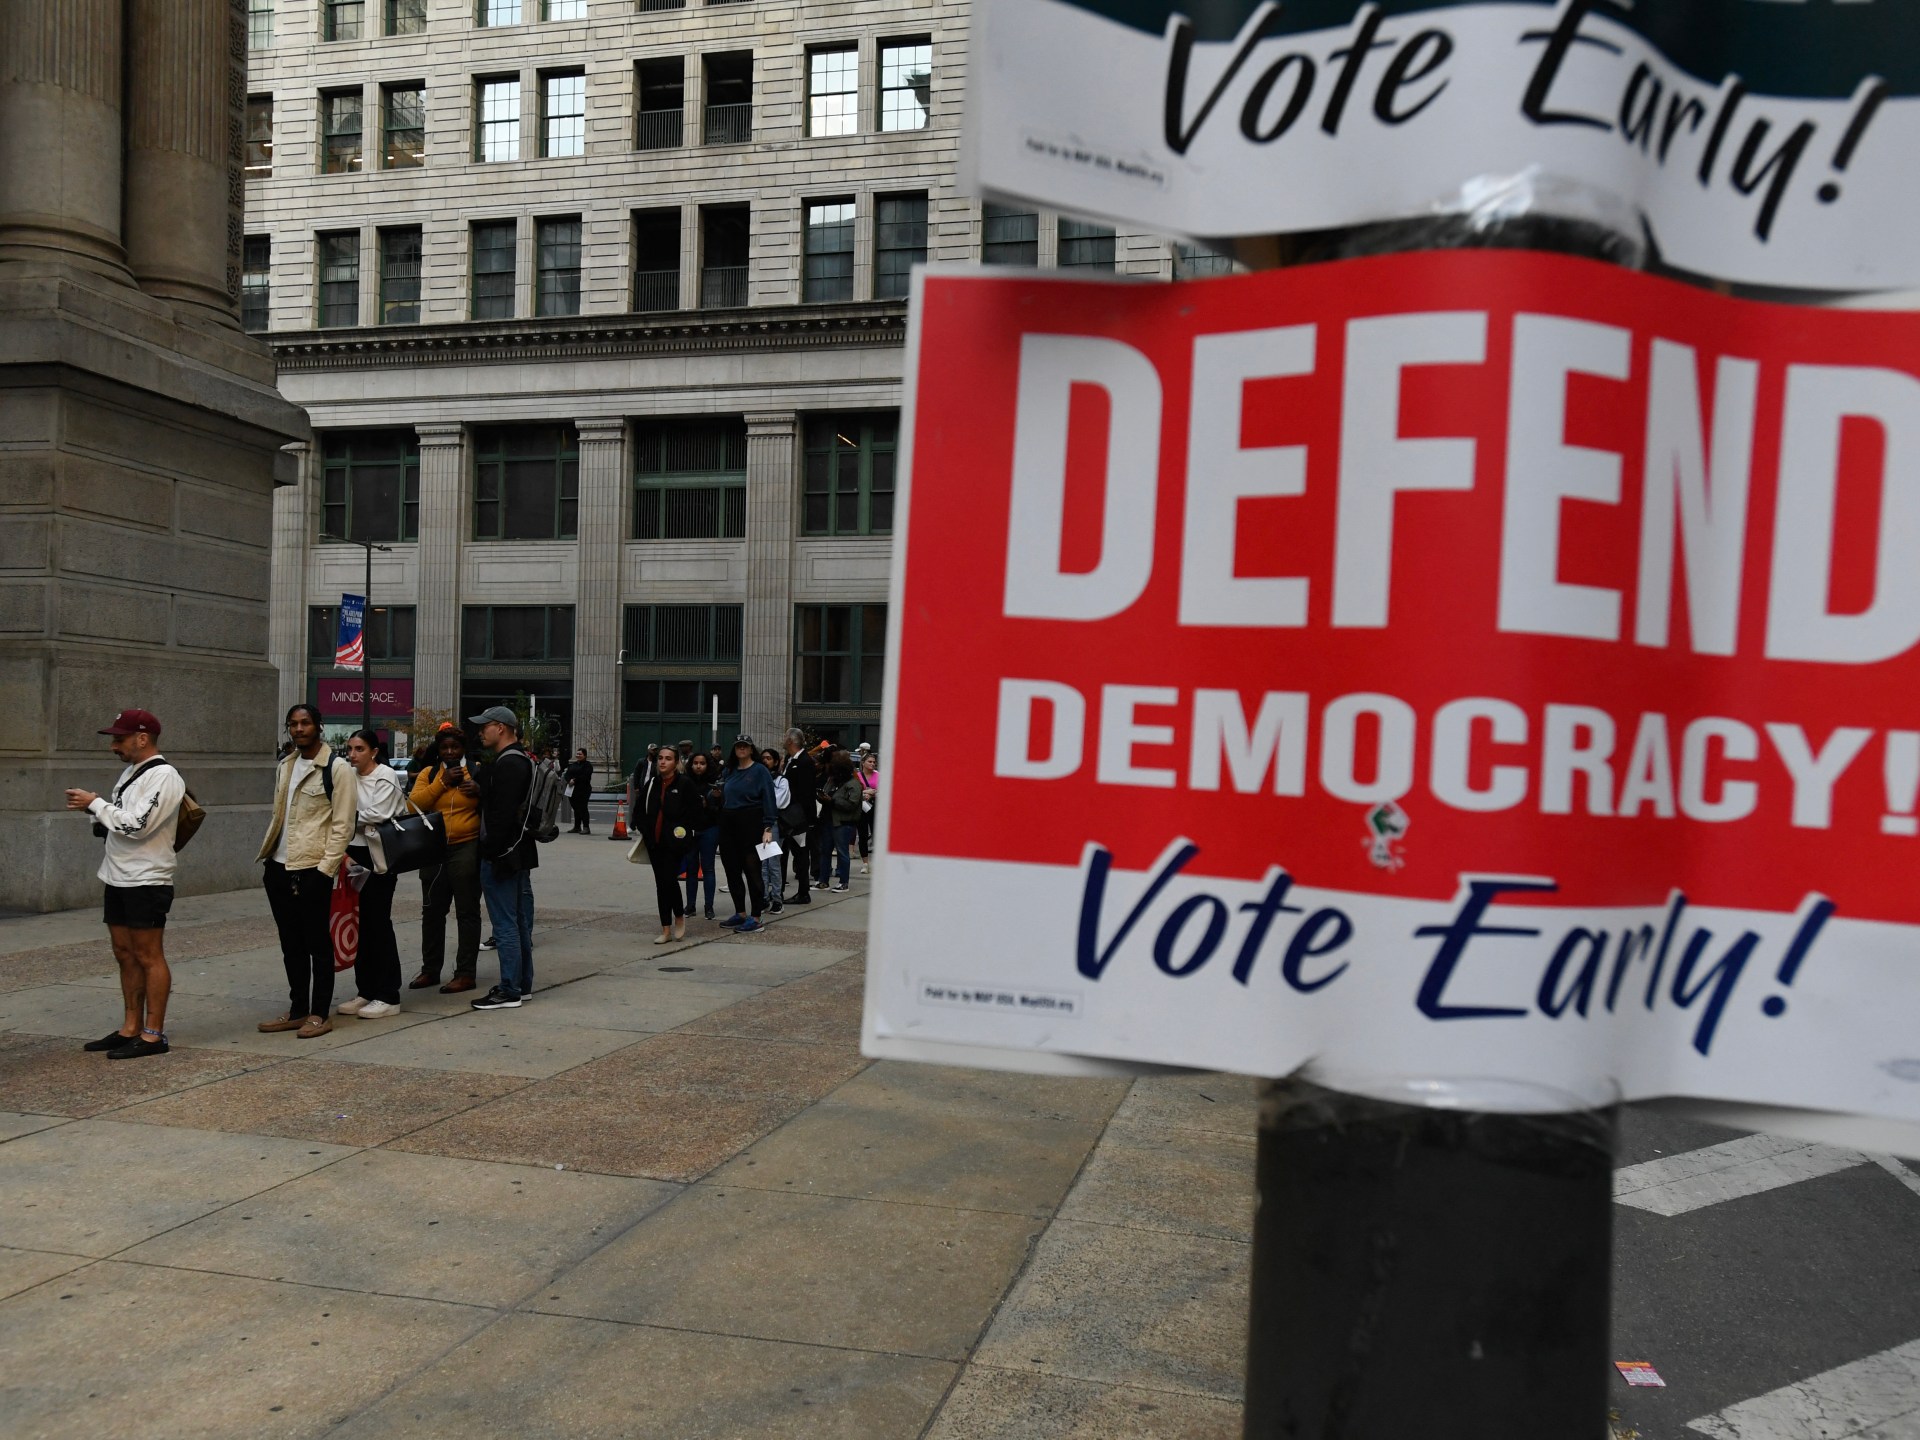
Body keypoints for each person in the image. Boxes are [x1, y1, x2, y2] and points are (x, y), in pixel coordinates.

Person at [65, 708, 186, 1060]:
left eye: (120, 738)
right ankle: (129, 1027)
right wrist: (96, 811)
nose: (114, 745)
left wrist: (96, 803)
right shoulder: (132, 772)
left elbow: (138, 825)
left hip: (147, 878)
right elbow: (120, 820)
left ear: (142, 738)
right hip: (117, 875)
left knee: (149, 955)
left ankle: (153, 1034)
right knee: (124, 953)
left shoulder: (165, 776)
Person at [256, 704, 357, 1039]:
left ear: (319, 726)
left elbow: (343, 825)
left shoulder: (337, 768)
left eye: (305, 723)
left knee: (318, 943)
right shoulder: (285, 765)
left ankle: (319, 1013)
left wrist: (326, 870)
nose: (299, 729)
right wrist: (271, 860)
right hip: (278, 865)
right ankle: (298, 1009)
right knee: (291, 943)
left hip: (313, 867)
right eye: (293, 724)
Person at [336, 730, 409, 1019]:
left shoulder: (386, 775)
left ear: (374, 751)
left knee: (378, 922)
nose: (352, 754)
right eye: (350, 749)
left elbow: (378, 813)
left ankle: (389, 994)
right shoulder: (349, 776)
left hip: (378, 856)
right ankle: (366, 990)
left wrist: (347, 818)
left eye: (359, 749)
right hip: (354, 854)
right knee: (359, 923)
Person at [470, 705, 539, 1010]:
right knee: (519, 922)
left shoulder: (509, 763)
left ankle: (510, 988)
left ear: (501, 727)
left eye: (485, 726)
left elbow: (501, 815)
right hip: (517, 852)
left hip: (503, 855)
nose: (480, 731)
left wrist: (489, 852)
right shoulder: (519, 760)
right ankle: (521, 985)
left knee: (505, 924)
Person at [407, 723, 483, 993]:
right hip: (433, 851)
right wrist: (442, 783)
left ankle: (465, 973)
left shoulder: (476, 771)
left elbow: (493, 804)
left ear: (463, 749)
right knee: (432, 912)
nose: (450, 752)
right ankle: (430, 970)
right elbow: (413, 805)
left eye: (455, 747)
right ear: (438, 751)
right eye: (445, 747)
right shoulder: (429, 774)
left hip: (466, 847)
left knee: (467, 911)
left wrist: (479, 791)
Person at [641, 747, 703, 944]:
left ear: (676, 762)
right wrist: (645, 829)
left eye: (668, 759)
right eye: (660, 758)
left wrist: (683, 833)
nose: (662, 762)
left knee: (669, 880)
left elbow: (695, 813)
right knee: (661, 884)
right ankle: (665, 928)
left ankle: (678, 915)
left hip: (674, 843)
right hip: (654, 843)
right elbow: (640, 810)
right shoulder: (652, 783)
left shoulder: (685, 784)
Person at [717, 733, 777, 932]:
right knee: (732, 869)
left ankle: (756, 916)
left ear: (751, 749)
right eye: (738, 746)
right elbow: (720, 795)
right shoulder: (729, 771)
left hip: (751, 821)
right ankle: (740, 912)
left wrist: (768, 827)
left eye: (745, 746)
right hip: (728, 821)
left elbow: (769, 799)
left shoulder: (760, 771)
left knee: (752, 870)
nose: (742, 749)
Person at [680, 751, 723, 921]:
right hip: (690, 830)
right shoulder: (685, 782)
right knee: (691, 869)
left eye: (702, 763)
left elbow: (720, 811)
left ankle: (709, 906)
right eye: (695, 763)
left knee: (708, 868)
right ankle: (690, 906)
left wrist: (708, 804)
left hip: (709, 829)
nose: (698, 766)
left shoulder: (713, 784)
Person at [780, 728, 817, 906]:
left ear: (791, 741)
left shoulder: (804, 762)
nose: (783, 739)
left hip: (799, 819)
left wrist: (807, 821)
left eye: (785, 736)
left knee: (801, 855)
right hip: (789, 816)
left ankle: (803, 892)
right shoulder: (790, 760)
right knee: (788, 853)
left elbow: (807, 793)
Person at [825, 751, 863, 892]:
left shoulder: (853, 784)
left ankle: (844, 882)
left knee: (842, 852)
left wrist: (832, 800)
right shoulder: (836, 781)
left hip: (844, 822)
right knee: (829, 851)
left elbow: (851, 805)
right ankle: (828, 880)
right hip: (834, 821)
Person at [759, 748, 790, 913]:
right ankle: (764, 897)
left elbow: (777, 802)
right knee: (763, 864)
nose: (765, 761)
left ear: (776, 762)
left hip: (773, 825)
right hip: (761, 823)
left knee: (773, 864)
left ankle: (777, 898)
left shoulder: (781, 781)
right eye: (763, 758)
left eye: (769, 758)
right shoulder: (758, 778)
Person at [856, 752, 880, 873]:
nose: (872, 764)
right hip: (862, 808)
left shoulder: (878, 775)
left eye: (874, 762)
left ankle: (878, 862)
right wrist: (865, 793)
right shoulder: (857, 776)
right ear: (863, 763)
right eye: (870, 762)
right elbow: (853, 791)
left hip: (875, 807)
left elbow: (884, 789)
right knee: (863, 835)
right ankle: (865, 863)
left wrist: (873, 792)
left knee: (877, 834)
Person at [564, 747, 595, 834]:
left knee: (583, 808)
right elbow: (567, 774)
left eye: (580, 754)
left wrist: (575, 780)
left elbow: (585, 776)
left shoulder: (588, 765)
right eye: (577, 754)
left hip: (583, 789)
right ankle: (577, 827)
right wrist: (569, 780)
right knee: (575, 808)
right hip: (572, 789)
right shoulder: (573, 765)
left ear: (585, 755)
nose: (578, 755)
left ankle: (586, 827)